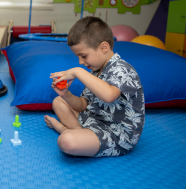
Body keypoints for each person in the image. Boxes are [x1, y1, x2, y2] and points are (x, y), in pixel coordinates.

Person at [44, 16, 144, 157]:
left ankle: (64, 130)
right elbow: (84, 105)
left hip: (116, 134)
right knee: (58, 101)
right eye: (78, 56)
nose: (80, 61)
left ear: (104, 47)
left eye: (83, 56)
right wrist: (66, 94)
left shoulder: (122, 69)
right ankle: (79, 131)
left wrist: (77, 72)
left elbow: (109, 96)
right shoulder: (96, 71)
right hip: (93, 119)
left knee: (66, 142)